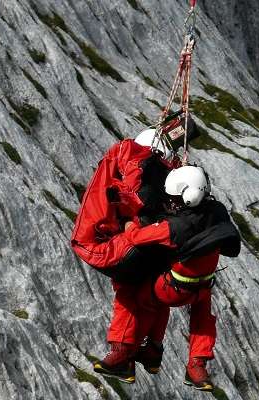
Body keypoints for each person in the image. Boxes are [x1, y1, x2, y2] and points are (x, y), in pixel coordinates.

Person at [70, 114, 198, 383]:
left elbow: (133, 196)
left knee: (133, 288)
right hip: (115, 244)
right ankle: (143, 349)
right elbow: (136, 197)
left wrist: (133, 222)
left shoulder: (135, 157)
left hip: (101, 244)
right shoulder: (148, 167)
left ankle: (126, 354)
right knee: (145, 286)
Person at [132, 165, 241, 391]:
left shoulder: (177, 226)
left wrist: (129, 224)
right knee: (202, 318)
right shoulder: (217, 211)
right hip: (203, 287)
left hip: (173, 289)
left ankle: (140, 349)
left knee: (144, 299)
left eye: (174, 199)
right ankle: (197, 366)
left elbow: (138, 237)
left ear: (187, 198)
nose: (171, 203)